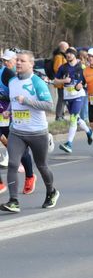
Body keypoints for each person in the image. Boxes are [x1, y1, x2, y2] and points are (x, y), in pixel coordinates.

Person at [0, 51, 59, 213]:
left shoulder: (37, 82)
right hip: (17, 131)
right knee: (12, 164)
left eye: (22, 61)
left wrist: (26, 101)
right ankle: (13, 201)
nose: (18, 63)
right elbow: (13, 100)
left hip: (37, 131)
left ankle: (51, 191)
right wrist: (9, 111)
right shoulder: (12, 81)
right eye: (17, 60)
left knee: (41, 165)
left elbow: (49, 105)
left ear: (31, 64)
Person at [0, 49, 36, 194]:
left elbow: (16, 94)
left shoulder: (7, 74)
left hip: (8, 114)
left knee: (17, 147)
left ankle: (29, 176)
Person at [54, 48, 93, 153]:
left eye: (70, 54)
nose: (68, 56)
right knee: (76, 118)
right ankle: (89, 132)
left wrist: (83, 85)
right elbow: (55, 81)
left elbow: (89, 79)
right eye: (67, 54)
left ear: (75, 55)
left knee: (73, 118)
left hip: (79, 95)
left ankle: (69, 144)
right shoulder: (63, 67)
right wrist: (64, 80)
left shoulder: (82, 67)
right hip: (68, 96)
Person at [53, 41, 69, 120]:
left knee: (64, 99)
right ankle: (59, 116)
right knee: (61, 99)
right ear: (63, 48)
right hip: (61, 82)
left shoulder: (63, 56)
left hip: (64, 82)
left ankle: (61, 115)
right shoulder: (59, 57)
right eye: (67, 47)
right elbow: (57, 68)